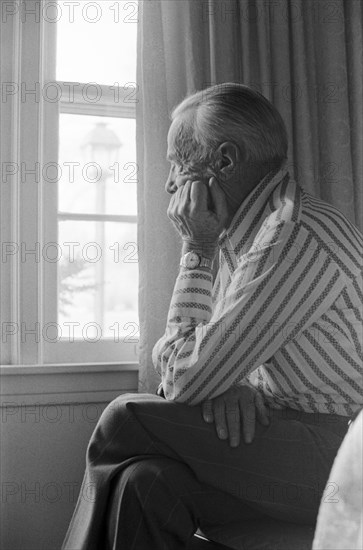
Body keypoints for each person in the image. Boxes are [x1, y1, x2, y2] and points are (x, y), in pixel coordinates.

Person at [62, 83, 363, 550]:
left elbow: (185, 377)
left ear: (223, 161)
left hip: (339, 457)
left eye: (177, 161)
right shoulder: (248, 232)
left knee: (125, 419)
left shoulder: (291, 237)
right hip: (286, 434)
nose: (168, 183)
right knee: (145, 482)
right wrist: (228, 382)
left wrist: (196, 249)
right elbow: (195, 368)